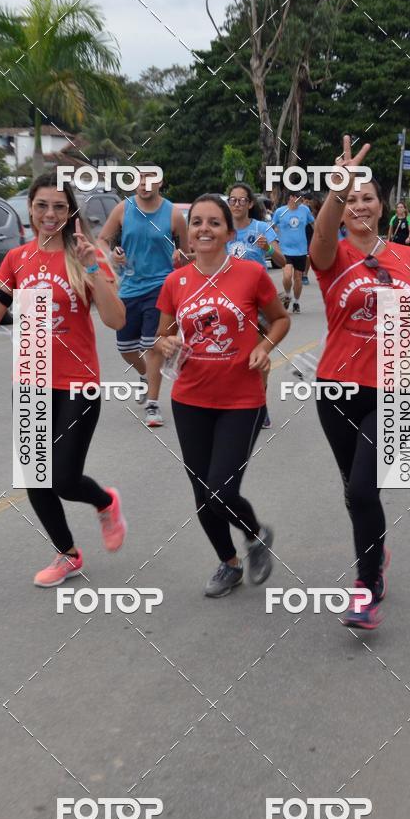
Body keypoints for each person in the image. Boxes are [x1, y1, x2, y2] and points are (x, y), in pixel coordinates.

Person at [0, 172, 128, 587]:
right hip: (32, 379)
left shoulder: (83, 255)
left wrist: (94, 267)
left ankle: (105, 501)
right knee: (35, 479)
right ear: (31, 209)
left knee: (64, 477)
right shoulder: (16, 259)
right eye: (42, 206)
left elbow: (116, 319)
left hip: (78, 381)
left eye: (59, 206)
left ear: (70, 211)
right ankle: (68, 555)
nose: (50, 214)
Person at [311, 136, 410, 630]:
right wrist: (337, 188)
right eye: (352, 199)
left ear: (382, 205)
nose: (360, 204)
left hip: (398, 384)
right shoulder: (332, 255)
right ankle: (376, 550)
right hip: (336, 388)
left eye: (368, 196)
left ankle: (367, 586)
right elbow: (321, 236)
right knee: (356, 490)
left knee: (365, 487)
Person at [156, 194, 290, 597]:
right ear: (187, 233)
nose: (204, 229)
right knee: (202, 495)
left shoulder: (250, 274)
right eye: (196, 222)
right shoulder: (175, 281)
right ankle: (228, 563)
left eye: (214, 222)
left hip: (242, 399)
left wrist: (264, 347)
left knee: (221, 490)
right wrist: (165, 344)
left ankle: (255, 535)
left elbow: (280, 319)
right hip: (189, 399)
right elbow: (163, 334)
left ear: (230, 232)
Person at [97, 165, 189, 427]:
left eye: (150, 179)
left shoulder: (173, 214)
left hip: (161, 288)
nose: (144, 183)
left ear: (160, 183)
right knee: (125, 348)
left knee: (152, 345)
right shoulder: (123, 209)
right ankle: (144, 375)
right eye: (140, 178)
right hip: (129, 288)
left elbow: (186, 252)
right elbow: (102, 240)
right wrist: (113, 254)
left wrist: (180, 257)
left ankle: (153, 404)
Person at [226, 182, 286, 429]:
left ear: (250, 204)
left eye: (241, 200)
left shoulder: (262, 227)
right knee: (231, 355)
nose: (237, 204)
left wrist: (268, 248)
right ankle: (235, 404)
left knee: (259, 351)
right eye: (233, 200)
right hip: (230, 298)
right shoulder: (224, 230)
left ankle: (261, 404)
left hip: (258, 299)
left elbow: (282, 260)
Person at [272, 192, 314, 313]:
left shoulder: (305, 210)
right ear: (291, 198)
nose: (300, 200)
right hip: (285, 250)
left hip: (300, 250)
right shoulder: (280, 211)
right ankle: (287, 294)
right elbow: (272, 227)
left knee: (298, 278)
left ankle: (296, 302)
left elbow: (312, 222)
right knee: (287, 276)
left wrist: (318, 237)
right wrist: (273, 240)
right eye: (298, 197)